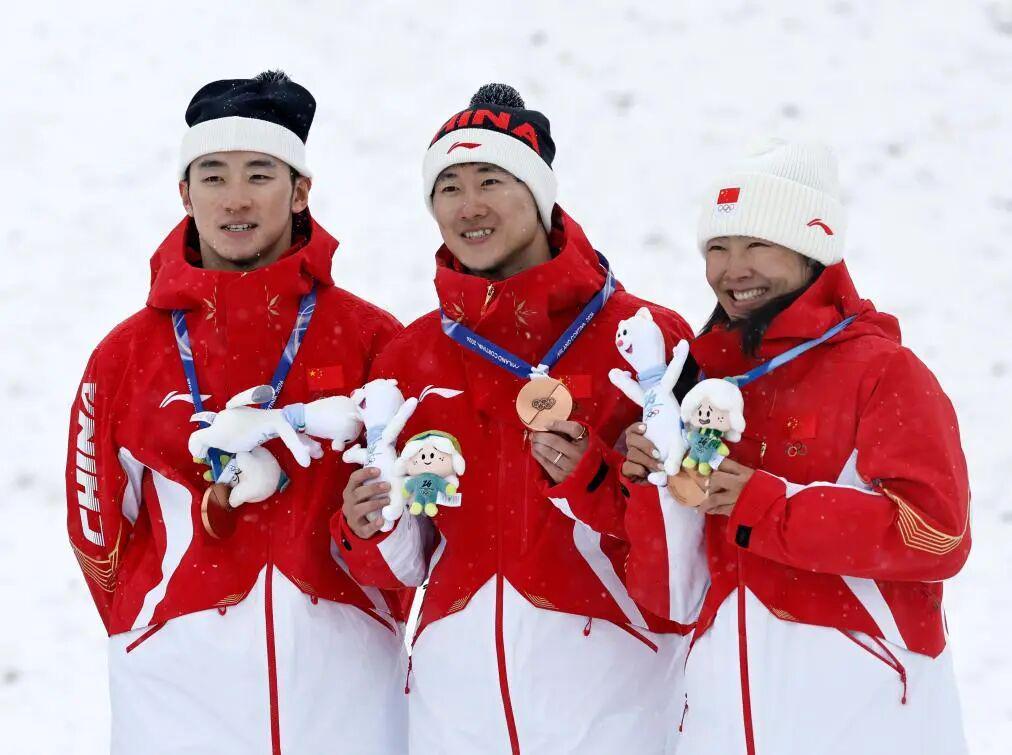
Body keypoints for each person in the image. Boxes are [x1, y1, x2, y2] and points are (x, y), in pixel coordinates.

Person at [336, 83, 695, 754]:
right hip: (458, 697)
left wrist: (596, 480)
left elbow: (692, 534)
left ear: (538, 194)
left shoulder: (647, 337)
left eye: (490, 181)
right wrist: (368, 526)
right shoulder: (411, 356)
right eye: (448, 187)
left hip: (617, 690)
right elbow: (406, 564)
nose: (468, 206)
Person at [65, 71, 407, 754]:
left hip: (346, 680)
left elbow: (409, 518)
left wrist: (367, 609)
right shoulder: (125, 354)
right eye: (213, 175)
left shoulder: (370, 338)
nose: (236, 198)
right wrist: (150, 619)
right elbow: (95, 521)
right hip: (175, 686)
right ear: (185, 193)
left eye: (260, 173)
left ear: (300, 190)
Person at [622, 139, 970, 754]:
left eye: (757, 243)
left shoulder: (883, 372)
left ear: (813, 250)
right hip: (721, 719)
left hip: (862, 719)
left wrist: (768, 507)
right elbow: (673, 595)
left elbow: (937, 535)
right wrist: (650, 482)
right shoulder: (700, 381)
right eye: (718, 248)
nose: (733, 269)